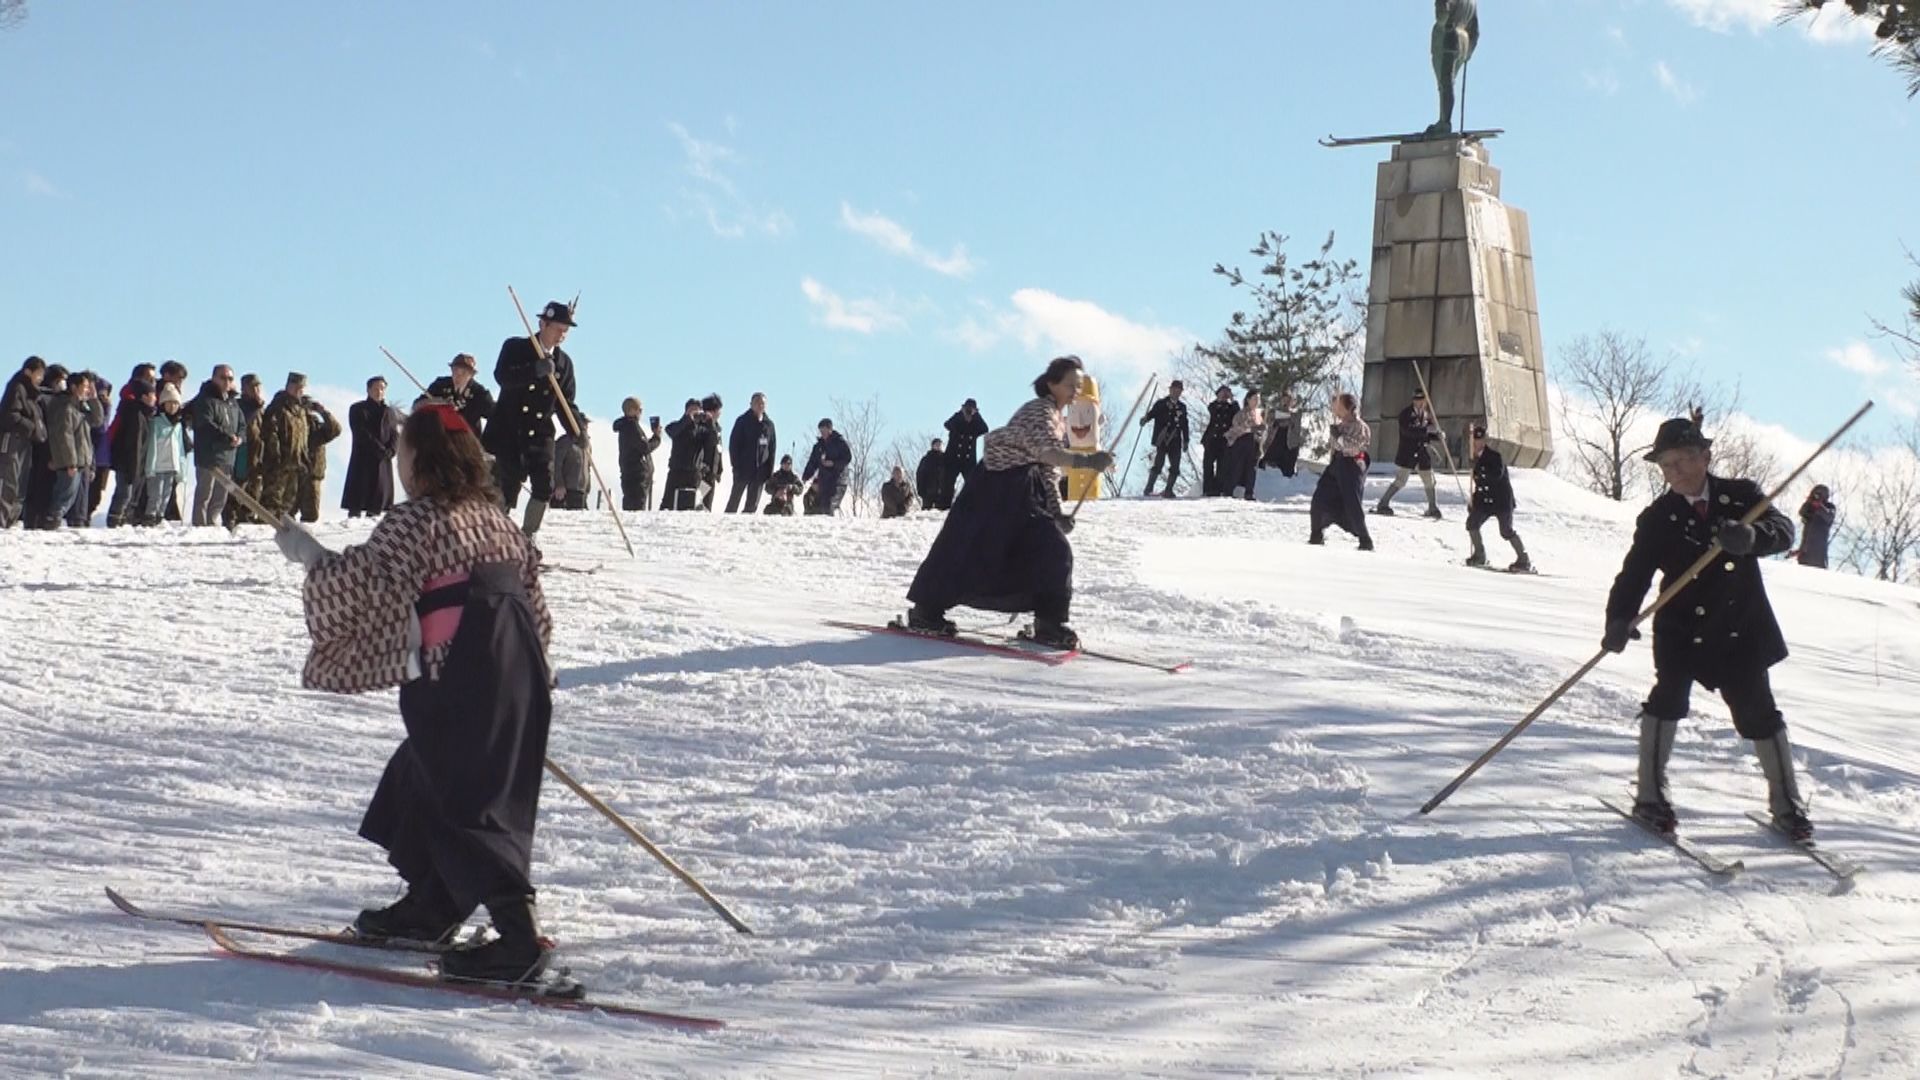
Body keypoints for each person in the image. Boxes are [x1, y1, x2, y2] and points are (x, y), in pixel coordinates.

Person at [272, 403, 557, 985]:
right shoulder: (498, 520)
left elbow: (361, 584)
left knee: (465, 797)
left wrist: (310, 557)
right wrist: (531, 684)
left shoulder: (417, 520)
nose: (398, 461)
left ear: (422, 459)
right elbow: (537, 609)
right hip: (515, 677)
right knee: (422, 775)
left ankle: (519, 940)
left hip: (459, 679)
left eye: (402, 450)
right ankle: (432, 905)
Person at [1603, 416, 1810, 840]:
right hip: (1682, 630)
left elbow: (1784, 531)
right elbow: (1634, 574)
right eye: (1666, 467)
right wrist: (1618, 619)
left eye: (1681, 462)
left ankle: (1788, 805)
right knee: (1667, 700)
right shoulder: (1657, 517)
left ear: (1704, 457)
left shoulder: (1742, 497)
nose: (1674, 473)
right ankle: (1650, 796)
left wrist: (1752, 537)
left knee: (1758, 713)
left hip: (1739, 629)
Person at [905, 357, 1111, 647]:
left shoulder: (1056, 418)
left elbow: (1047, 471)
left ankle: (1049, 622)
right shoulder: (1039, 411)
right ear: (1052, 384)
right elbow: (1048, 453)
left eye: (1078, 385)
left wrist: (1055, 513)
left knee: (1050, 547)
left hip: (1025, 489)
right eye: (1070, 385)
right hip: (995, 486)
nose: (1076, 390)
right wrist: (1088, 461)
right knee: (966, 545)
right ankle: (926, 610)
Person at [482, 300, 581, 535]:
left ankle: (528, 535)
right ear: (542, 324)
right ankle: (494, 535)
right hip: (508, 431)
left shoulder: (564, 364)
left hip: (538, 434)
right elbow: (502, 376)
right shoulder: (515, 348)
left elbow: (565, 403)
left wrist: (577, 431)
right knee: (505, 487)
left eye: (565, 331)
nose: (561, 335)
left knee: (543, 486)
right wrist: (534, 370)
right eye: (558, 329)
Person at [1309, 393, 1374, 551]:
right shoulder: (1340, 425)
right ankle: (1316, 533)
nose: (1334, 408)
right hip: (1336, 465)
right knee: (1320, 496)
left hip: (1351, 466)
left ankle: (1365, 539)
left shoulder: (1360, 426)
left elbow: (1354, 447)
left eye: (1338, 405)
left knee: (1352, 502)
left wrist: (1339, 438)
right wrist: (1336, 435)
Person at [1464, 422, 1529, 571]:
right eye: (1474, 441)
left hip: (1501, 501)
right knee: (1472, 523)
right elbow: (1479, 484)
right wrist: (1474, 500)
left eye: (1479, 441)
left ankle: (1523, 559)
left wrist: (1479, 469)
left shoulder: (1494, 456)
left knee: (1506, 530)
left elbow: (1495, 476)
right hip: (1485, 502)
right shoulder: (1473, 459)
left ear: (1484, 441)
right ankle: (1480, 555)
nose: (1476, 444)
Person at [40, 370, 100, 529]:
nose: (87, 390)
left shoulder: (81, 407)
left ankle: (55, 521)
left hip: (82, 460)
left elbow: (98, 421)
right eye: (85, 386)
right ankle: (51, 522)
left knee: (73, 497)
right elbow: (64, 437)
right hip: (70, 462)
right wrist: (70, 462)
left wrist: (94, 399)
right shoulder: (64, 407)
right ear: (74, 387)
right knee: (65, 495)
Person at [188, 365, 244, 527]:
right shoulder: (205, 399)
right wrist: (227, 437)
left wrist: (239, 438)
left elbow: (241, 424)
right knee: (205, 493)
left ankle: (212, 524)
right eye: (223, 378)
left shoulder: (232, 402)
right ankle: (199, 526)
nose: (227, 382)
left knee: (221, 495)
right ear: (214, 378)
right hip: (209, 456)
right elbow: (206, 424)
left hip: (228, 456)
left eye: (230, 379)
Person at [1376, 389, 1442, 519]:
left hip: (1422, 452)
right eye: (1416, 400)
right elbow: (1409, 431)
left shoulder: (1427, 415)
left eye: (1421, 400)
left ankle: (1432, 507)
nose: (1419, 402)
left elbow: (1428, 434)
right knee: (1401, 480)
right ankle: (1383, 503)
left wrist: (1438, 436)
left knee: (1430, 480)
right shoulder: (1405, 414)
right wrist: (1427, 429)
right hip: (1408, 453)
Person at [256, 372, 313, 519]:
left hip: (296, 464)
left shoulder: (300, 411)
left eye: (302, 388)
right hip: (278, 465)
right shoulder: (278, 407)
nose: (300, 391)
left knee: (288, 505)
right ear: (289, 386)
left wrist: (304, 458)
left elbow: (303, 437)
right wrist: (276, 457)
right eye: (297, 387)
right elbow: (269, 433)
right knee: (271, 503)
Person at [0, 357, 47, 529]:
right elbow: (10, 415)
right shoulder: (17, 387)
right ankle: (2, 520)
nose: (41, 378)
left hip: (25, 443)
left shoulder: (32, 393)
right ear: (28, 371)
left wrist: (38, 431)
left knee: (21, 482)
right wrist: (31, 426)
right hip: (12, 439)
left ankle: (10, 521)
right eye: (39, 374)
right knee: (8, 481)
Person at [343, 376, 399, 519]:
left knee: (378, 500)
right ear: (368, 390)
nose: (379, 392)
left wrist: (392, 450)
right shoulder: (357, 409)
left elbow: (394, 433)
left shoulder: (389, 412)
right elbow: (361, 432)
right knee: (358, 497)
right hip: (363, 460)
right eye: (376, 388)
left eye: (382, 389)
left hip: (383, 461)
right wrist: (379, 449)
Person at [106, 379, 155, 527]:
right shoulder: (135, 414)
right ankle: (114, 521)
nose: (155, 399)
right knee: (124, 494)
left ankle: (122, 520)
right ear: (144, 397)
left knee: (129, 494)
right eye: (152, 395)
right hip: (128, 462)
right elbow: (133, 444)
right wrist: (133, 468)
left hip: (135, 463)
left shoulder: (144, 414)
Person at [141, 383, 190, 525]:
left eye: (176, 403)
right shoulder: (156, 422)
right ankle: (150, 517)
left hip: (172, 465)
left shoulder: (178, 425)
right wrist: (149, 467)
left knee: (166, 495)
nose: (173, 406)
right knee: (155, 494)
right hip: (157, 466)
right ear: (163, 404)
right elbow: (152, 446)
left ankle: (160, 517)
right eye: (170, 403)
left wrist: (181, 470)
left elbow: (180, 448)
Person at [725, 392, 777, 514]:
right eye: (757, 403)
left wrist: (769, 472)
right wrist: (735, 465)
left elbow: (772, 448)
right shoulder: (742, 421)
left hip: (760, 471)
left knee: (752, 504)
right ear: (751, 404)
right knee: (734, 500)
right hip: (743, 468)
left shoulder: (769, 425)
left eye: (763, 403)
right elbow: (734, 445)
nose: (760, 406)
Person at [424, 353, 496, 439]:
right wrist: (437, 403)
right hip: (440, 439)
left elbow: (496, 416)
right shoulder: (440, 385)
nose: (458, 376)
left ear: (471, 375)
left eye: (464, 372)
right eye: (455, 371)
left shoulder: (479, 394)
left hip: (467, 444)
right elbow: (419, 403)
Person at [227, 373, 267, 526]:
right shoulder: (236, 406)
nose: (256, 390)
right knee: (237, 489)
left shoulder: (262, 409)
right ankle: (231, 517)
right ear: (244, 389)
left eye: (258, 386)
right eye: (252, 387)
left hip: (257, 455)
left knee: (254, 490)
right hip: (241, 453)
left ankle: (247, 518)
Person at [1140, 380, 1190, 498]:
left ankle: (1169, 490)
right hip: (1162, 438)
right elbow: (1152, 414)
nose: (1176, 392)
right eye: (1174, 389)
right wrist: (1145, 419)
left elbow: (1184, 424)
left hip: (1175, 439)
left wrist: (1186, 439)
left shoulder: (1182, 407)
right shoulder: (1161, 403)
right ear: (1170, 390)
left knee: (1175, 465)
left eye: (1179, 390)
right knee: (1159, 463)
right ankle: (1149, 488)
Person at [299, 395, 344, 524]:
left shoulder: (315, 424)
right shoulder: (296, 423)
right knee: (288, 512)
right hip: (296, 473)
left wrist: (323, 412)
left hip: (313, 474)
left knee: (311, 515)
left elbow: (335, 430)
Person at [611, 398, 661, 512]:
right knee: (636, 508)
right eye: (640, 410)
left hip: (631, 474)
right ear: (632, 410)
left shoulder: (625, 426)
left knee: (632, 505)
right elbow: (644, 447)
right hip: (636, 476)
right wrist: (657, 438)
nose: (641, 413)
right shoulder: (631, 426)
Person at [662, 398, 711, 511]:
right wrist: (687, 419)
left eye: (698, 411)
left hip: (693, 473)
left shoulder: (702, 430)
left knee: (692, 504)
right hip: (676, 470)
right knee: (667, 502)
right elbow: (671, 431)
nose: (695, 413)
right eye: (692, 410)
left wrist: (710, 422)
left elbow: (711, 441)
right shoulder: (677, 425)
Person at [940, 399, 988, 510]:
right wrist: (960, 414)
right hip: (953, 458)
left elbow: (985, 429)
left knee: (973, 484)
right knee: (948, 484)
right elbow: (947, 424)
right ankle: (944, 507)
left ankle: (973, 507)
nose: (969, 412)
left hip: (968, 460)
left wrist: (976, 416)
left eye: (971, 410)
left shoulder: (976, 424)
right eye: (967, 409)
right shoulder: (957, 420)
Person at [803, 418, 853, 515]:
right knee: (820, 506)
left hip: (838, 481)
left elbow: (847, 458)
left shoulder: (840, 443)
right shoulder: (819, 446)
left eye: (824, 430)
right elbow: (812, 463)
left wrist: (834, 463)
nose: (822, 433)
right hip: (824, 481)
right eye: (821, 431)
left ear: (830, 429)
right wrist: (806, 476)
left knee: (830, 505)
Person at [1223, 390, 1266, 501]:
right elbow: (1237, 426)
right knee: (1237, 467)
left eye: (1258, 399)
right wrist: (1250, 428)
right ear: (1248, 400)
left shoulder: (1259, 414)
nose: (1257, 401)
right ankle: (1228, 490)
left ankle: (1249, 492)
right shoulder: (1241, 413)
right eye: (1254, 399)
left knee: (1252, 468)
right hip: (1242, 441)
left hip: (1255, 442)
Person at [1200, 385, 1239, 497]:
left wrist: (1232, 399)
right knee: (1208, 464)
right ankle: (1207, 489)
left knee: (1222, 466)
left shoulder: (1230, 407)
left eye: (1225, 393)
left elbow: (1238, 413)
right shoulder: (1214, 406)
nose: (1224, 395)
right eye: (1222, 392)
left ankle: (1218, 489)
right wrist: (1220, 399)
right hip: (1212, 439)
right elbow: (1212, 410)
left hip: (1224, 439)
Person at [1261, 390, 1306, 478]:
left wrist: (1283, 418)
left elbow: (1293, 418)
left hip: (1290, 444)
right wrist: (1282, 418)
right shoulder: (1274, 411)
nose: (1286, 402)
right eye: (1284, 400)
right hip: (1276, 441)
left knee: (1287, 471)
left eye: (1288, 400)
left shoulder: (1297, 412)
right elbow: (1270, 416)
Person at [550, 416, 591, 510]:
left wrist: (587, 487)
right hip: (566, 490)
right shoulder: (564, 443)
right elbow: (556, 464)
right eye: (584, 425)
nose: (586, 428)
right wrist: (559, 484)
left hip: (581, 491)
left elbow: (588, 468)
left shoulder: (586, 445)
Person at [1796, 485, 1835, 569]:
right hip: (1805, 551)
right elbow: (1802, 512)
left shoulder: (1829, 507)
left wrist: (1820, 506)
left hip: (1819, 553)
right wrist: (1810, 502)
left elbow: (1829, 516)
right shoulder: (1809, 507)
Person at [915, 439, 947, 510]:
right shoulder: (926, 459)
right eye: (937, 444)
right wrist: (921, 490)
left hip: (942, 491)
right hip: (928, 491)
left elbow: (950, 475)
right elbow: (920, 474)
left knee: (942, 513)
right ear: (933, 446)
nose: (939, 446)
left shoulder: (945, 459)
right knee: (926, 512)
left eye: (940, 445)